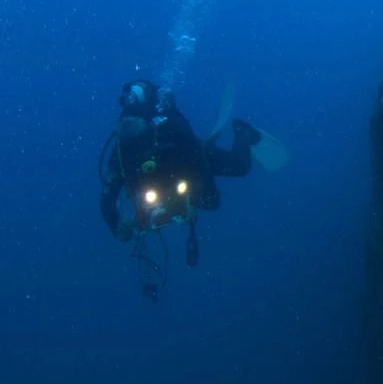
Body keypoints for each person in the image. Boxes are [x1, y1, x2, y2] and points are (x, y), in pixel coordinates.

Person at [99, 79, 263, 265]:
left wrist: (207, 195)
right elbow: (107, 199)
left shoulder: (168, 132)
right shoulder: (120, 154)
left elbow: (195, 154)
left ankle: (241, 130)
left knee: (240, 166)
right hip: (169, 190)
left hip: (190, 163)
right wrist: (117, 226)